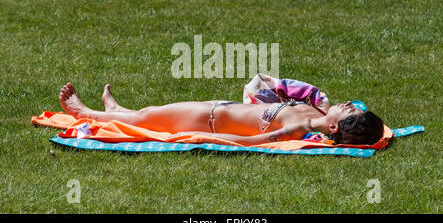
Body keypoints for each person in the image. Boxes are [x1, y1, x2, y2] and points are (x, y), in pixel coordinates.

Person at [58, 83, 384, 146]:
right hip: (216, 107)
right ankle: (117, 111)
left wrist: (209, 138)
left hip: (207, 121)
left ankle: (85, 113)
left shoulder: (296, 128)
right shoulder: (316, 110)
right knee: (149, 114)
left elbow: (252, 141)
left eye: (349, 110)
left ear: (334, 125)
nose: (347, 104)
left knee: (147, 118)